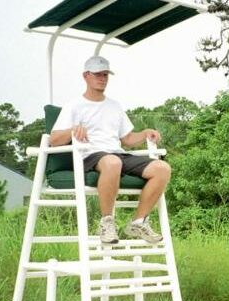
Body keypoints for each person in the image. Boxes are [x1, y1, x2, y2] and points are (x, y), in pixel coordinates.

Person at [50, 55, 171, 244]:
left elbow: (128, 139)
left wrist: (145, 133)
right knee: (112, 162)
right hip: (90, 155)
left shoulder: (115, 106)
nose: (102, 78)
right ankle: (107, 223)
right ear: (86, 76)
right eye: (98, 74)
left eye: (105, 74)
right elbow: (54, 139)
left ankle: (138, 222)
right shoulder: (74, 106)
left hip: (117, 154)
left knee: (162, 168)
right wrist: (73, 130)